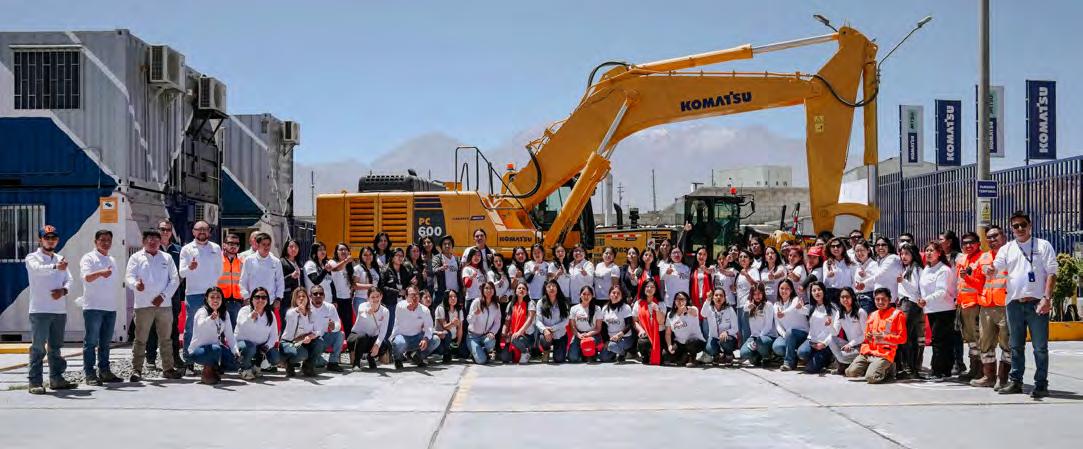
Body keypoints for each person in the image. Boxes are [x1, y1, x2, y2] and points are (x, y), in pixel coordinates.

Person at [993, 211, 1057, 398]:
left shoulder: (1043, 245)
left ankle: (1041, 384)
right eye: (1016, 226)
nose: (1020, 228)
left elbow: (1052, 273)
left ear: (1030, 225)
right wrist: (990, 269)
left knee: (1040, 348)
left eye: (1023, 225)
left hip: (1037, 304)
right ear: (1011, 229)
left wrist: (1046, 298)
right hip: (1014, 304)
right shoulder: (1007, 249)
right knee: (1015, 346)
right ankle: (1016, 382)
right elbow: (996, 266)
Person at [24, 225, 76, 394]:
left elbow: (70, 279)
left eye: (53, 238)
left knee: (56, 347)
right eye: (47, 238)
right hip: (39, 309)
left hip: (59, 310)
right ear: (40, 240)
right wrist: (55, 267)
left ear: (57, 240)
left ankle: (56, 379)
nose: (50, 240)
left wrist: (64, 290)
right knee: (38, 348)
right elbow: (37, 270)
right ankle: (35, 382)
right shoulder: (32, 257)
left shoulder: (60, 258)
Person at [126, 228, 183, 382]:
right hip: (143, 305)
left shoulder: (167, 257)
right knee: (140, 339)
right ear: (143, 242)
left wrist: (163, 296)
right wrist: (136, 284)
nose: (152, 242)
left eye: (156, 240)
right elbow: (129, 277)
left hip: (164, 305)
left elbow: (175, 279)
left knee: (166, 339)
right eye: (149, 240)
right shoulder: (136, 258)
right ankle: (137, 369)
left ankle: (168, 368)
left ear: (160, 242)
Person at [78, 229, 122, 386]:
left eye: (108, 240)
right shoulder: (88, 258)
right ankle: (90, 373)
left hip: (110, 307)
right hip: (93, 306)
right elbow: (86, 278)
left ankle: (104, 371)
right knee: (91, 342)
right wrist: (100, 273)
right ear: (95, 241)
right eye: (102, 240)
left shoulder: (112, 259)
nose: (106, 243)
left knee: (105, 342)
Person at [179, 220, 224, 368]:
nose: (202, 232)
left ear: (209, 232)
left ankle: (210, 362)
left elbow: (220, 271)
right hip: (194, 294)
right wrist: (190, 268)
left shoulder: (216, 248)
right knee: (191, 327)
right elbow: (182, 273)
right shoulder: (186, 249)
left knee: (213, 326)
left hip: (212, 294)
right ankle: (189, 361)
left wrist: (212, 288)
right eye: (199, 229)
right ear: (193, 232)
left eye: (205, 229)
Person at [971, 225, 1011, 389]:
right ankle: (989, 377)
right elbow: (978, 282)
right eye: (989, 237)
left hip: (1005, 306)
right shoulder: (984, 258)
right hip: (986, 306)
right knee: (985, 343)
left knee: (1007, 343)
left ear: (1004, 237)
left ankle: (1003, 379)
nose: (992, 239)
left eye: (995, 236)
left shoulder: (1011, 255)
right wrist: (967, 278)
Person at [845, 288, 907, 384]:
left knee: (871, 378)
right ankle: (873, 367)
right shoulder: (872, 315)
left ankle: (888, 369)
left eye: (883, 299)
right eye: (877, 299)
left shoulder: (897, 314)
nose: (880, 302)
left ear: (889, 300)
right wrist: (868, 337)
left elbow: (903, 339)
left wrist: (884, 337)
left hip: (884, 354)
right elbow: (866, 337)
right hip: (868, 352)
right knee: (850, 372)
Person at [145, 220, 182, 371]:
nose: (165, 232)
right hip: (154, 295)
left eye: (168, 229)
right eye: (162, 229)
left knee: (173, 327)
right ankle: (151, 358)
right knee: (152, 327)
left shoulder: (179, 250)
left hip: (173, 295)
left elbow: (181, 273)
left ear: (171, 232)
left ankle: (175, 357)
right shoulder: (151, 249)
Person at [186, 287, 240, 385]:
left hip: (215, 348)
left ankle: (215, 370)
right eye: (212, 297)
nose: (215, 300)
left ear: (222, 299)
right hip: (198, 350)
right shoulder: (202, 311)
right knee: (216, 349)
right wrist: (210, 319)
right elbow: (200, 326)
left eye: (218, 297)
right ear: (207, 299)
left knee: (232, 360)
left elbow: (230, 335)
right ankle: (206, 373)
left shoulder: (224, 313)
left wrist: (235, 351)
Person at [921, 241, 955, 381]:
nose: (929, 253)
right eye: (927, 250)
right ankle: (945, 370)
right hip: (931, 309)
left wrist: (926, 299)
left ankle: (938, 371)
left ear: (939, 253)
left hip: (944, 309)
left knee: (939, 341)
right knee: (941, 340)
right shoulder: (926, 269)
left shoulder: (944, 270)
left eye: (932, 250)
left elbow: (942, 291)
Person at [955, 231, 986, 381]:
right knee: (970, 340)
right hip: (963, 304)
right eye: (965, 243)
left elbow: (982, 284)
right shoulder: (962, 259)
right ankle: (973, 369)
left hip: (975, 304)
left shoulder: (983, 259)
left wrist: (967, 278)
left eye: (971, 242)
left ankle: (981, 370)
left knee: (978, 339)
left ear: (978, 244)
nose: (968, 245)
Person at [235, 287, 280, 380]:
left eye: (264, 297)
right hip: (244, 345)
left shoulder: (270, 314)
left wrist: (267, 346)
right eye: (257, 297)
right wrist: (250, 318)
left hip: (260, 346)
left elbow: (274, 335)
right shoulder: (244, 310)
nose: (260, 300)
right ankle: (244, 368)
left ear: (267, 300)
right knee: (250, 348)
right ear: (252, 299)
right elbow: (241, 327)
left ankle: (256, 366)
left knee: (275, 357)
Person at [895, 243, 925, 379]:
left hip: (911, 303)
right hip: (904, 303)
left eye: (907, 253)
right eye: (902, 254)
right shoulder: (907, 268)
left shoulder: (916, 269)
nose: (903, 256)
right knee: (909, 337)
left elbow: (916, 289)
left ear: (913, 254)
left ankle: (910, 367)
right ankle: (910, 367)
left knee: (905, 336)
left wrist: (903, 281)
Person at [390, 285, 440, 369]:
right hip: (402, 337)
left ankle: (417, 357)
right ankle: (397, 359)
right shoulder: (400, 306)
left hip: (417, 338)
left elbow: (429, 327)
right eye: (412, 295)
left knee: (436, 340)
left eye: (417, 294)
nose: (415, 297)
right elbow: (403, 309)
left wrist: (425, 339)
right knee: (399, 343)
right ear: (406, 296)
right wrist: (408, 308)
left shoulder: (424, 310)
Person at [281, 288, 325, 377]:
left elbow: (318, 330)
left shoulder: (312, 312)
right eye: (298, 297)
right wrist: (297, 310)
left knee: (320, 343)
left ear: (307, 298)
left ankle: (307, 367)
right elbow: (290, 316)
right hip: (290, 342)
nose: (301, 298)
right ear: (295, 299)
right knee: (302, 354)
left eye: (303, 296)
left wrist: (310, 337)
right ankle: (288, 363)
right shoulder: (291, 312)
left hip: (305, 341)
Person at [239, 232, 285, 311]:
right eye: (263, 244)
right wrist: (246, 297)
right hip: (252, 303)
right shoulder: (249, 260)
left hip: (270, 303)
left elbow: (280, 281)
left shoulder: (276, 261)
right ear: (257, 245)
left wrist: (278, 298)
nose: (266, 247)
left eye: (268, 244)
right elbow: (243, 281)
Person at [799, 284, 839, 374]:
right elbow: (801, 310)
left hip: (826, 344)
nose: (817, 292)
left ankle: (828, 359)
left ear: (824, 291)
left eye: (819, 289)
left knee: (810, 369)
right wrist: (798, 307)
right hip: (812, 342)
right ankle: (818, 360)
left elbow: (835, 332)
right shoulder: (811, 307)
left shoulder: (833, 308)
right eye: (814, 290)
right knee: (802, 352)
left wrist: (824, 344)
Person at [348, 287, 391, 369]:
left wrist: (377, 345)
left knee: (384, 344)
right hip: (356, 337)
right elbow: (362, 313)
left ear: (381, 296)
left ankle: (370, 357)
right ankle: (356, 363)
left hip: (371, 338)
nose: (375, 299)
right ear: (368, 298)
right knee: (363, 337)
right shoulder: (362, 306)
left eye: (377, 296)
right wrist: (368, 311)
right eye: (372, 297)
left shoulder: (385, 311)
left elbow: (383, 331)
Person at [772, 279, 809, 371]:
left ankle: (788, 363)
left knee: (790, 332)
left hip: (802, 334)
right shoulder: (776, 304)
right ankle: (793, 356)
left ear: (791, 290)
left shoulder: (796, 300)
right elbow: (778, 325)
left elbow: (792, 308)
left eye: (787, 288)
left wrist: (783, 313)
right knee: (777, 347)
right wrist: (785, 336)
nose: (784, 291)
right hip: (788, 335)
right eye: (781, 288)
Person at [830, 287, 868, 375]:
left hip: (861, 346)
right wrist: (829, 325)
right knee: (829, 338)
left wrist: (850, 344)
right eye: (842, 297)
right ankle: (843, 365)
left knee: (842, 356)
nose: (845, 299)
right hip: (849, 345)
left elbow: (865, 335)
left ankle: (848, 364)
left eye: (847, 297)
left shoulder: (860, 312)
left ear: (852, 297)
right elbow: (835, 332)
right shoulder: (840, 313)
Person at [739, 284, 777, 367]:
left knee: (761, 343)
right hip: (754, 337)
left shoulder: (768, 305)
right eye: (755, 294)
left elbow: (768, 326)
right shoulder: (750, 304)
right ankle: (757, 356)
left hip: (767, 336)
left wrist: (758, 339)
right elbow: (745, 308)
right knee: (744, 353)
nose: (757, 296)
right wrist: (749, 307)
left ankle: (767, 356)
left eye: (759, 293)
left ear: (763, 293)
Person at [380, 248, 412, 341]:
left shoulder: (404, 269)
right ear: (392, 257)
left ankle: (398, 346)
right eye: (397, 255)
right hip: (390, 302)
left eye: (402, 256)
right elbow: (382, 287)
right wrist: (397, 292)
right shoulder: (385, 269)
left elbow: (407, 284)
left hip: (403, 302)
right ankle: (387, 347)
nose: (400, 258)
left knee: (401, 326)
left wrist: (411, 284)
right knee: (390, 326)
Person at [665, 292, 705, 367]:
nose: (680, 301)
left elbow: (694, 312)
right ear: (674, 301)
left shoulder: (693, 309)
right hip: (680, 343)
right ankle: (685, 355)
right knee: (667, 355)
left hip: (696, 342)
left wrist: (686, 308)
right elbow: (668, 333)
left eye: (682, 299)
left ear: (687, 300)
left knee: (691, 342)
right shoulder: (670, 314)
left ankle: (692, 358)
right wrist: (669, 345)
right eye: (677, 299)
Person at [701, 287, 739, 365]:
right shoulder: (709, 308)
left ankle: (729, 355)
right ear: (713, 298)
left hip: (728, 339)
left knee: (725, 341)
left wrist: (727, 332)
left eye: (721, 295)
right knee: (709, 348)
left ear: (724, 298)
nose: (718, 297)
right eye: (716, 295)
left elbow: (735, 328)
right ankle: (717, 355)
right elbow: (703, 314)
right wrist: (707, 300)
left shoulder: (730, 309)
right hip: (714, 338)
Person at [310, 285, 344, 371]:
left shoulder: (330, 307)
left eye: (321, 293)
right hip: (311, 340)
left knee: (340, 334)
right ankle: (320, 361)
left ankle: (333, 362)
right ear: (310, 296)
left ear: (324, 296)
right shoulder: (306, 307)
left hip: (325, 337)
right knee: (318, 363)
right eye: (315, 294)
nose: (318, 295)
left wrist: (334, 326)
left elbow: (338, 324)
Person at [466, 282, 502, 364]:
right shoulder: (476, 302)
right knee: (481, 361)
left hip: (485, 336)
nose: (489, 290)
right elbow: (469, 320)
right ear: (482, 290)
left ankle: (483, 351)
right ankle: (477, 353)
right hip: (473, 336)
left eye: (491, 288)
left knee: (491, 341)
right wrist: (475, 314)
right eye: (486, 288)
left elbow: (497, 322)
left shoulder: (496, 305)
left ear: (494, 290)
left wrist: (492, 332)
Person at [536, 279, 571, 363]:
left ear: (557, 288)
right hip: (546, 334)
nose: (551, 288)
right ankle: (546, 351)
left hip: (560, 334)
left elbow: (566, 321)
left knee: (559, 359)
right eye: (549, 286)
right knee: (543, 338)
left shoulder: (563, 302)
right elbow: (538, 321)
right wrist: (545, 330)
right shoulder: (540, 302)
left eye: (554, 286)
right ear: (545, 289)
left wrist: (552, 328)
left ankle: (560, 349)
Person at [729, 250, 760, 343]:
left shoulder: (753, 270)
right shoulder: (739, 273)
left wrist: (746, 275)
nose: (742, 259)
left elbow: (757, 285)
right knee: (741, 330)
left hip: (748, 305)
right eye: (740, 257)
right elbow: (740, 290)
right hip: (739, 305)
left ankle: (748, 349)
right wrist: (734, 289)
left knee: (747, 331)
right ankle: (743, 349)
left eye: (745, 257)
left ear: (750, 260)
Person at [502, 281, 537, 364]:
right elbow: (507, 322)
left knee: (516, 339)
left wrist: (519, 332)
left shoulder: (530, 303)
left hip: (527, 337)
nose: (521, 290)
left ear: (527, 292)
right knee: (505, 358)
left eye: (524, 288)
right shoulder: (511, 304)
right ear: (515, 291)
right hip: (513, 335)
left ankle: (525, 352)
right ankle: (516, 347)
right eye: (519, 288)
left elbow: (529, 320)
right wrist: (504, 333)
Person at [218, 233, 246, 334]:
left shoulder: (242, 261)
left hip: (236, 302)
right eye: (230, 243)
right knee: (218, 331)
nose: (234, 246)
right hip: (219, 301)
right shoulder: (217, 259)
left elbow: (245, 281)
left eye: (236, 244)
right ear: (224, 245)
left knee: (235, 332)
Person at [328, 243, 355, 342]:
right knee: (335, 325)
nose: (343, 251)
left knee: (348, 325)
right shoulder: (332, 262)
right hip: (337, 299)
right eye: (341, 249)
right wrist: (346, 260)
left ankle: (349, 345)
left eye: (345, 249)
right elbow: (335, 269)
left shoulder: (348, 265)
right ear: (336, 252)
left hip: (347, 299)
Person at [568, 285, 603, 363]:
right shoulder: (574, 308)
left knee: (588, 342)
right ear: (580, 295)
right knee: (572, 358)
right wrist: (578, 335)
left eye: (588, 294)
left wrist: (588, 334)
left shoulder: (597, 309)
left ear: (592, 296)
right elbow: (573, 327)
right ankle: (583, 353)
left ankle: (591, 353)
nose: (586, 296)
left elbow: (598, 328)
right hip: (579, 334)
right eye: (584, 294)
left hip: (592, 335)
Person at [601, 286, 635, 362]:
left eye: (618, 293)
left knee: (612, 346)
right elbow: (603, 327)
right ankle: (616, 351)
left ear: (622, 296)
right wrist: (606, 341)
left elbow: (629, 325)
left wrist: (618, 335)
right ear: (609, 294)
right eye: (613, 293)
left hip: (624, 337)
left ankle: (623, 353)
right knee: (604, 358)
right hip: (611, 339)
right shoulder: (605, 308)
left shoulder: (626, 307)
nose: (615, 295)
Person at [872, 237, 903, 308]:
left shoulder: (893, 258)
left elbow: (878, 275)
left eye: (883, 245)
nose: (880, 247)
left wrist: (863, 282)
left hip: (890, 302)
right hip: (879, 300)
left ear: (889, 246)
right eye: (878, 245)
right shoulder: (878, 260)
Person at [434, 289, 464, 363]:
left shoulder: (459, 310)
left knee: (464, 353)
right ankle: (445, 352)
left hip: (453, 339)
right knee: (447, 333)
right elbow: (445, 327)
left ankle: (450, 351)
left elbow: (460, 329)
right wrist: (452, 323)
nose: (453, 298)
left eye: (455, 296)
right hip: (442, 339)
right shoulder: (440, 308)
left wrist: (458, 343)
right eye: (450, 296)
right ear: (446, 298)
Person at [822, 237, 853, 306]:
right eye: (833, 246)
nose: (836, 248)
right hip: (832, 294)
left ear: (843, 247)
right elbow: (825, 283)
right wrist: (829, 276)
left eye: (838, 246)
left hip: (847, 293)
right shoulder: (827, 263)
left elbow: (853, 280)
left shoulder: (850, 262)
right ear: (829, 249)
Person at [431, 236, 460, 304]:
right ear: (441, 246)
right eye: (445, 244)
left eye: (449, 244)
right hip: (442, 294)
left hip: (455, 293)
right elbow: (434, 270)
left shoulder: (457, 259)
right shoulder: (437, 258)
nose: (447, 246)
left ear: (452, 246)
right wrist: (441, 268)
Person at [851, 241, 878, 314]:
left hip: (868, 297)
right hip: (857, 298)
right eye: (857, 251)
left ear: (868, 250)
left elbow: (877, 279)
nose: (859, 253)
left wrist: (866, 276)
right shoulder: (857, 266)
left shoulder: (874, 264)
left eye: (862, 250)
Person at [353, 246, 381, 315]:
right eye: (365, 255)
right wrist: (369, 286)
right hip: (361, 299)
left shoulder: (376, 268)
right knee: (363, 320)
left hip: (374, 299)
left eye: (370, 254)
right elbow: (354, 285)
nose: (368, 256)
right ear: (361, 256)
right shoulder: (357, 268)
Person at [280, 239, 304, 318]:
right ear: (286, 248)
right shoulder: (281, 262)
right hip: (287, 298)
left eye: (296, 247)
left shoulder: (299, 263)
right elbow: (279, 281)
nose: (294, 249)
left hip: (299, 297)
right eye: (291, 247)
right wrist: (291, 276)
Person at [688, 247, 714, 319]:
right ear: (696, 255)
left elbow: (710, 271)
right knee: (696, 322)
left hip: (707, 299)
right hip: (695, 299)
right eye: (699, 254)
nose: (701, 256)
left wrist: (705, 269)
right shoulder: (692, 269)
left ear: (707, 256)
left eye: (704, 254)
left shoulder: (711, 267)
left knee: (706, 322)